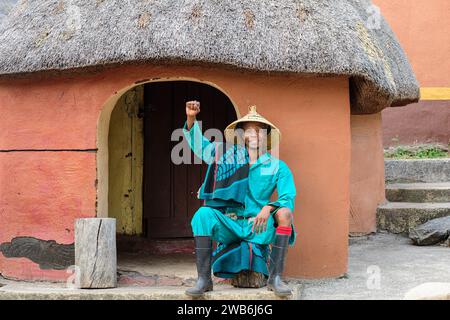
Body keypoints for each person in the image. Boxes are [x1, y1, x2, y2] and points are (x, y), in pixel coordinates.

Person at [183, 101, 297, 297]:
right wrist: (191, 118)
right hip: (231, 225)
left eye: (259, 130)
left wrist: (269, 208)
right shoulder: (229, 157)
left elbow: (288, 198)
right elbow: (202, 147)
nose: (254, 134)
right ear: (242, 135)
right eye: (249, 131)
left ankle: (275, 278)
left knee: (285, 213)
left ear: (265, 135)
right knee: (203, 214)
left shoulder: (278, 166)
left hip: (259, 227)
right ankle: (204, 280)